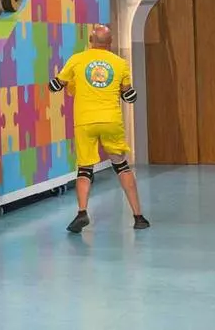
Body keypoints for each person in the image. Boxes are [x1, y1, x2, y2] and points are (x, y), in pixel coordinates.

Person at [49, 24, 149, 233]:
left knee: (85, 169)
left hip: (85, 121)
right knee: (121, 166)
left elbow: (56, 85)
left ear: (90, 41)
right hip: (111, 120)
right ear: (110, 43)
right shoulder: (120, 63)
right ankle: (138, 217)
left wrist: (58, 84)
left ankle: (82, 212)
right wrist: (127, 94)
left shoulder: (77, 59)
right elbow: (128, 94)